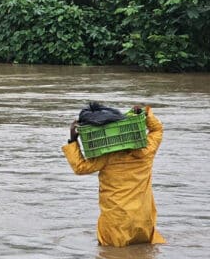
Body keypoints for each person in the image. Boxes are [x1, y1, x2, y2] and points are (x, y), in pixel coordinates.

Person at [63, 105, 166, 247]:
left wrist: (73, 140)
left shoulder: (105, 157)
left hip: (116, 222)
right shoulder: (146, 151)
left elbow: (80, 167)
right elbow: (157, 129)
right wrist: (146, 114)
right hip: (143, 220)